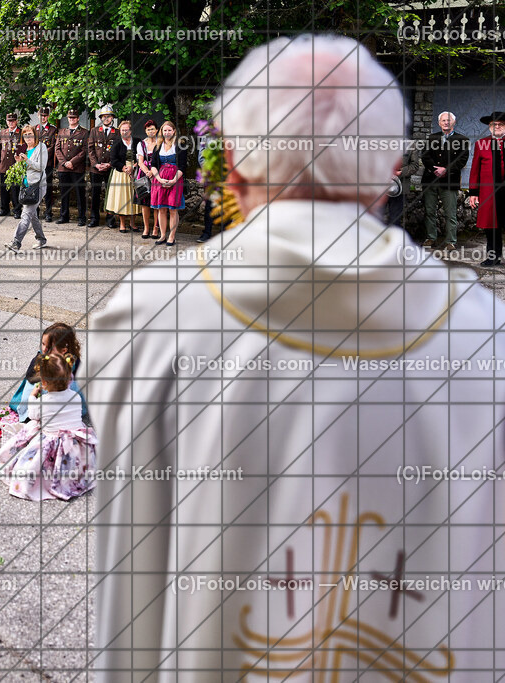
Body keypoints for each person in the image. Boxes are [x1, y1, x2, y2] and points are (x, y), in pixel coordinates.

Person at [89, 34, 505, 682]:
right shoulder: (488, 336)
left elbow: (131, 569)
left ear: (230, 164)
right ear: (391, 163)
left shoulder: (147, 319)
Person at [0, 353, 96, 501]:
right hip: (74, 444)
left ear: (43, 382)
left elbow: (33, 414)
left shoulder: (44, 401)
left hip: (53, 444)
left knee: (33, 427)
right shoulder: (75, 397)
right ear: (70, 378)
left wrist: (32, 397)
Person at [420, 111, 469, 251]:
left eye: (448, 120)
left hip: (449, 180)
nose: (446, 123)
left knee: (450, 213)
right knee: (429, 211)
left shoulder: (463, 140)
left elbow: (462, 159)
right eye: (443, 120)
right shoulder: (431, 138)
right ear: (439, 123)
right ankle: (431, 238)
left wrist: (445, 169)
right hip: (430, 179)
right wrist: (434, 169)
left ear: (453, 122)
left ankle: (451, 241)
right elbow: (425, 155)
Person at [467, 110, 505, 267]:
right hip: (489, 192)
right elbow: (474, 170)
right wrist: (474, 193)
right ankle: (493, 256)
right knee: (491, 226)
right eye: (493, 124)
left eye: (501, 124)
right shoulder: (481, 144)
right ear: (489, 127)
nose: (497, 127)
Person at [4, 125, 48, 251]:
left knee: (26, 214)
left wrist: (27, 160)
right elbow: (26, 168)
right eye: (25, 135)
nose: (28, 137)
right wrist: (19, 162)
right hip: (27, 186)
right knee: (32, 215)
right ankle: (41, 239)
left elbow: (41, 167)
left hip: (38, 186)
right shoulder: (26, 149)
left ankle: (16, 242)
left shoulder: (41, 147)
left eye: (30, 134)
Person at [148, 120, 186, 246]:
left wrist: (174, 180)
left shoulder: (180, 145)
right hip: (160, 179)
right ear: (161, 132)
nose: (167, 132)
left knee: (173, 209)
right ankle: (163, 235)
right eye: (165, 130)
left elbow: (182, 166)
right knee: (161, 209)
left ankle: (172, 236)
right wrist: (158, 179)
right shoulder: (158, 147)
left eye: (169, 130)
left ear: (174, 131)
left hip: (175, 179)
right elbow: (153, 165)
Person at [87, 106, 122, 228]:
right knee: (95, 194)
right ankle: (94, 219)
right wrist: (96, 164)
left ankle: (110, 220)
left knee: (110, 194)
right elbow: (90, 149)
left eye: (108, 116)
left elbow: (118, 151)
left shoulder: (117, 132)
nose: (106, 119)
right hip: (96, 169)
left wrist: (110, 164)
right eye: (104, 117)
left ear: (112, 118)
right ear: (101, 118)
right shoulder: (94, 131)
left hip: (110, 168)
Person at [55, 109, 89, 226]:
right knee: (64, 193)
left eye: (74, 117)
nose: (72, 119)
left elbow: (85, 150)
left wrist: (72, 162)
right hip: (63, 168)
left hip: (77, 168)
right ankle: (64, 216)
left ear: (78, 118)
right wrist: (64, 162)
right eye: (70, 117)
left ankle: (81, 217)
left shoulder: (84, 132)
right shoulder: (61, 131)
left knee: (80, 193)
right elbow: (57, 149)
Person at [105, 120, 139, 233]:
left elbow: (142, 157)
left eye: (127, 130)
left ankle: (132, 223)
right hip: (121, 174)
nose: (125, 132)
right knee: (122, 198)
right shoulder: (116, 143)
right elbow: (113, 160)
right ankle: (122, 224)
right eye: (122, 130)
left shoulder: (138, 142)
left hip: (135, 172)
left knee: (133, 198)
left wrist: (134, 167)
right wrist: (124, 168)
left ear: (131, 130)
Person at [385, 138, 421, 230]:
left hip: (400, 188)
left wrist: (400, 172)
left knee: (395, 219)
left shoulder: (411, 144)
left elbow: (415, 166)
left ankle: (393, 242)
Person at [0, 112, 24, 218]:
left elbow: (24, 149)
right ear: (6, 122)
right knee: (4, 189)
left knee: (15, 189)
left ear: (16, 121)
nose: (11, 123)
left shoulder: (21, 133)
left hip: (15, 165)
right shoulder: (3, 132)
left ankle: (17, 210)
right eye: (9, 121)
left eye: (12, 120)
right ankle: (4, 209)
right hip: (4, 165)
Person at [135, 120, 159, 239]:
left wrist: (154, 172)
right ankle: (146, 228)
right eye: (148, 129)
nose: (151, 131)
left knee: (156, 203)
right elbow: (140, 161)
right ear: (145, 131)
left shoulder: (161, 143)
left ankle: (155, 228)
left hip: (158, 173)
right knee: (145, 203)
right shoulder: (141, 144)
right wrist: (147, 172)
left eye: (153, 129)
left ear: (157, 130)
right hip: (144, 174)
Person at [36, 107, 58, 221]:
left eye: (45, 115)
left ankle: (48, 213)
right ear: (38, 116)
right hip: (34, 164)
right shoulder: (34, 129)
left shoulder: (53, 130)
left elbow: (52, 146)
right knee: (35, 187)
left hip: (46, 163)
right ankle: (35, 211)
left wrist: (41, 154)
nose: (43, 117)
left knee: (48, 188)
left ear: (48, 116)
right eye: (41, 115)